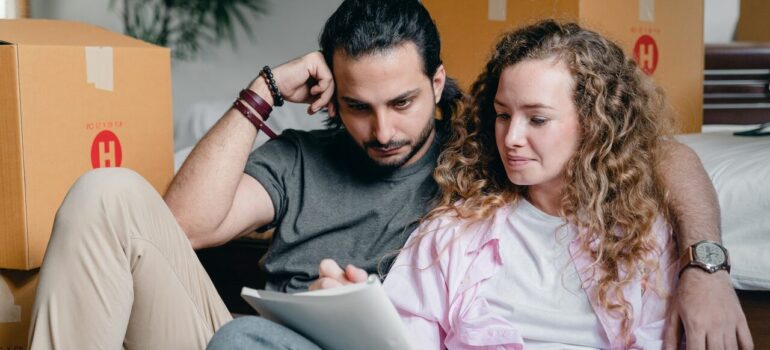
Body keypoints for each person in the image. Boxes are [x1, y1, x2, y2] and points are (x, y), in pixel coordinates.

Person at [28, 1, 749, 349]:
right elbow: (181, 227)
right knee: (109, 192)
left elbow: (655, 150)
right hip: (258, 338)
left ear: (438, 84)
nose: (383, 130)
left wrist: (706, 263)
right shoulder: (303, 157)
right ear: (332, 97)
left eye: (402, 102)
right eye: (358, 107)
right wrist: (264, 92)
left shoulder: (485, 139)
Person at [383, 19, 677, 348]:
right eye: (503, 115)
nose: (511, 138)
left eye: (537, 119)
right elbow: (401, 336)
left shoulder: (645, 238)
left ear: (594, 124)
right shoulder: (451, 234)